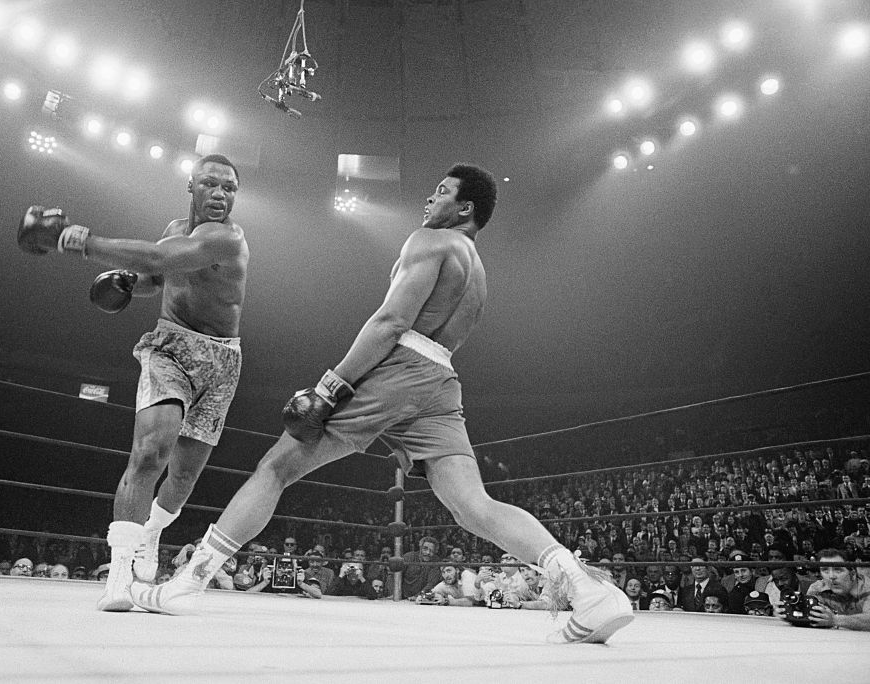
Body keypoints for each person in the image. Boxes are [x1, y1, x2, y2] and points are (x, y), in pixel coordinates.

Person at [130, 163, 632, 643]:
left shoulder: (429, 240)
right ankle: (590, 591)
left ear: (464, 209)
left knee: (276, 468)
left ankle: (186, 584)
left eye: (442, 191)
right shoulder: (476, 269)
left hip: (399, 370)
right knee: (473, 506)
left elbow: (391, 322)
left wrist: (332, 385)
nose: (430, 198)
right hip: (440, 380)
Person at [18, 154, 247, 611]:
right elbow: (153, 276)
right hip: (170, 349)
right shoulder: (171, 229)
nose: (220, 195)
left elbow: (162, 257)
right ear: (191, 186)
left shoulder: (227, 238)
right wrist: (126, 280)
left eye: (228, 188)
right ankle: (118, 578)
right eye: (210, 184)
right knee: (150, 453)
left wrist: (77, 240)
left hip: (222, 361)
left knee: (182, 478)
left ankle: (153, 534)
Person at [800, 548, 870, 631]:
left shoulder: (867, 587)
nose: (831, 576)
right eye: (825, 570)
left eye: (838, 570)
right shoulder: (817, 589)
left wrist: (835, 620)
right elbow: (810, 618)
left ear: (853, 574)